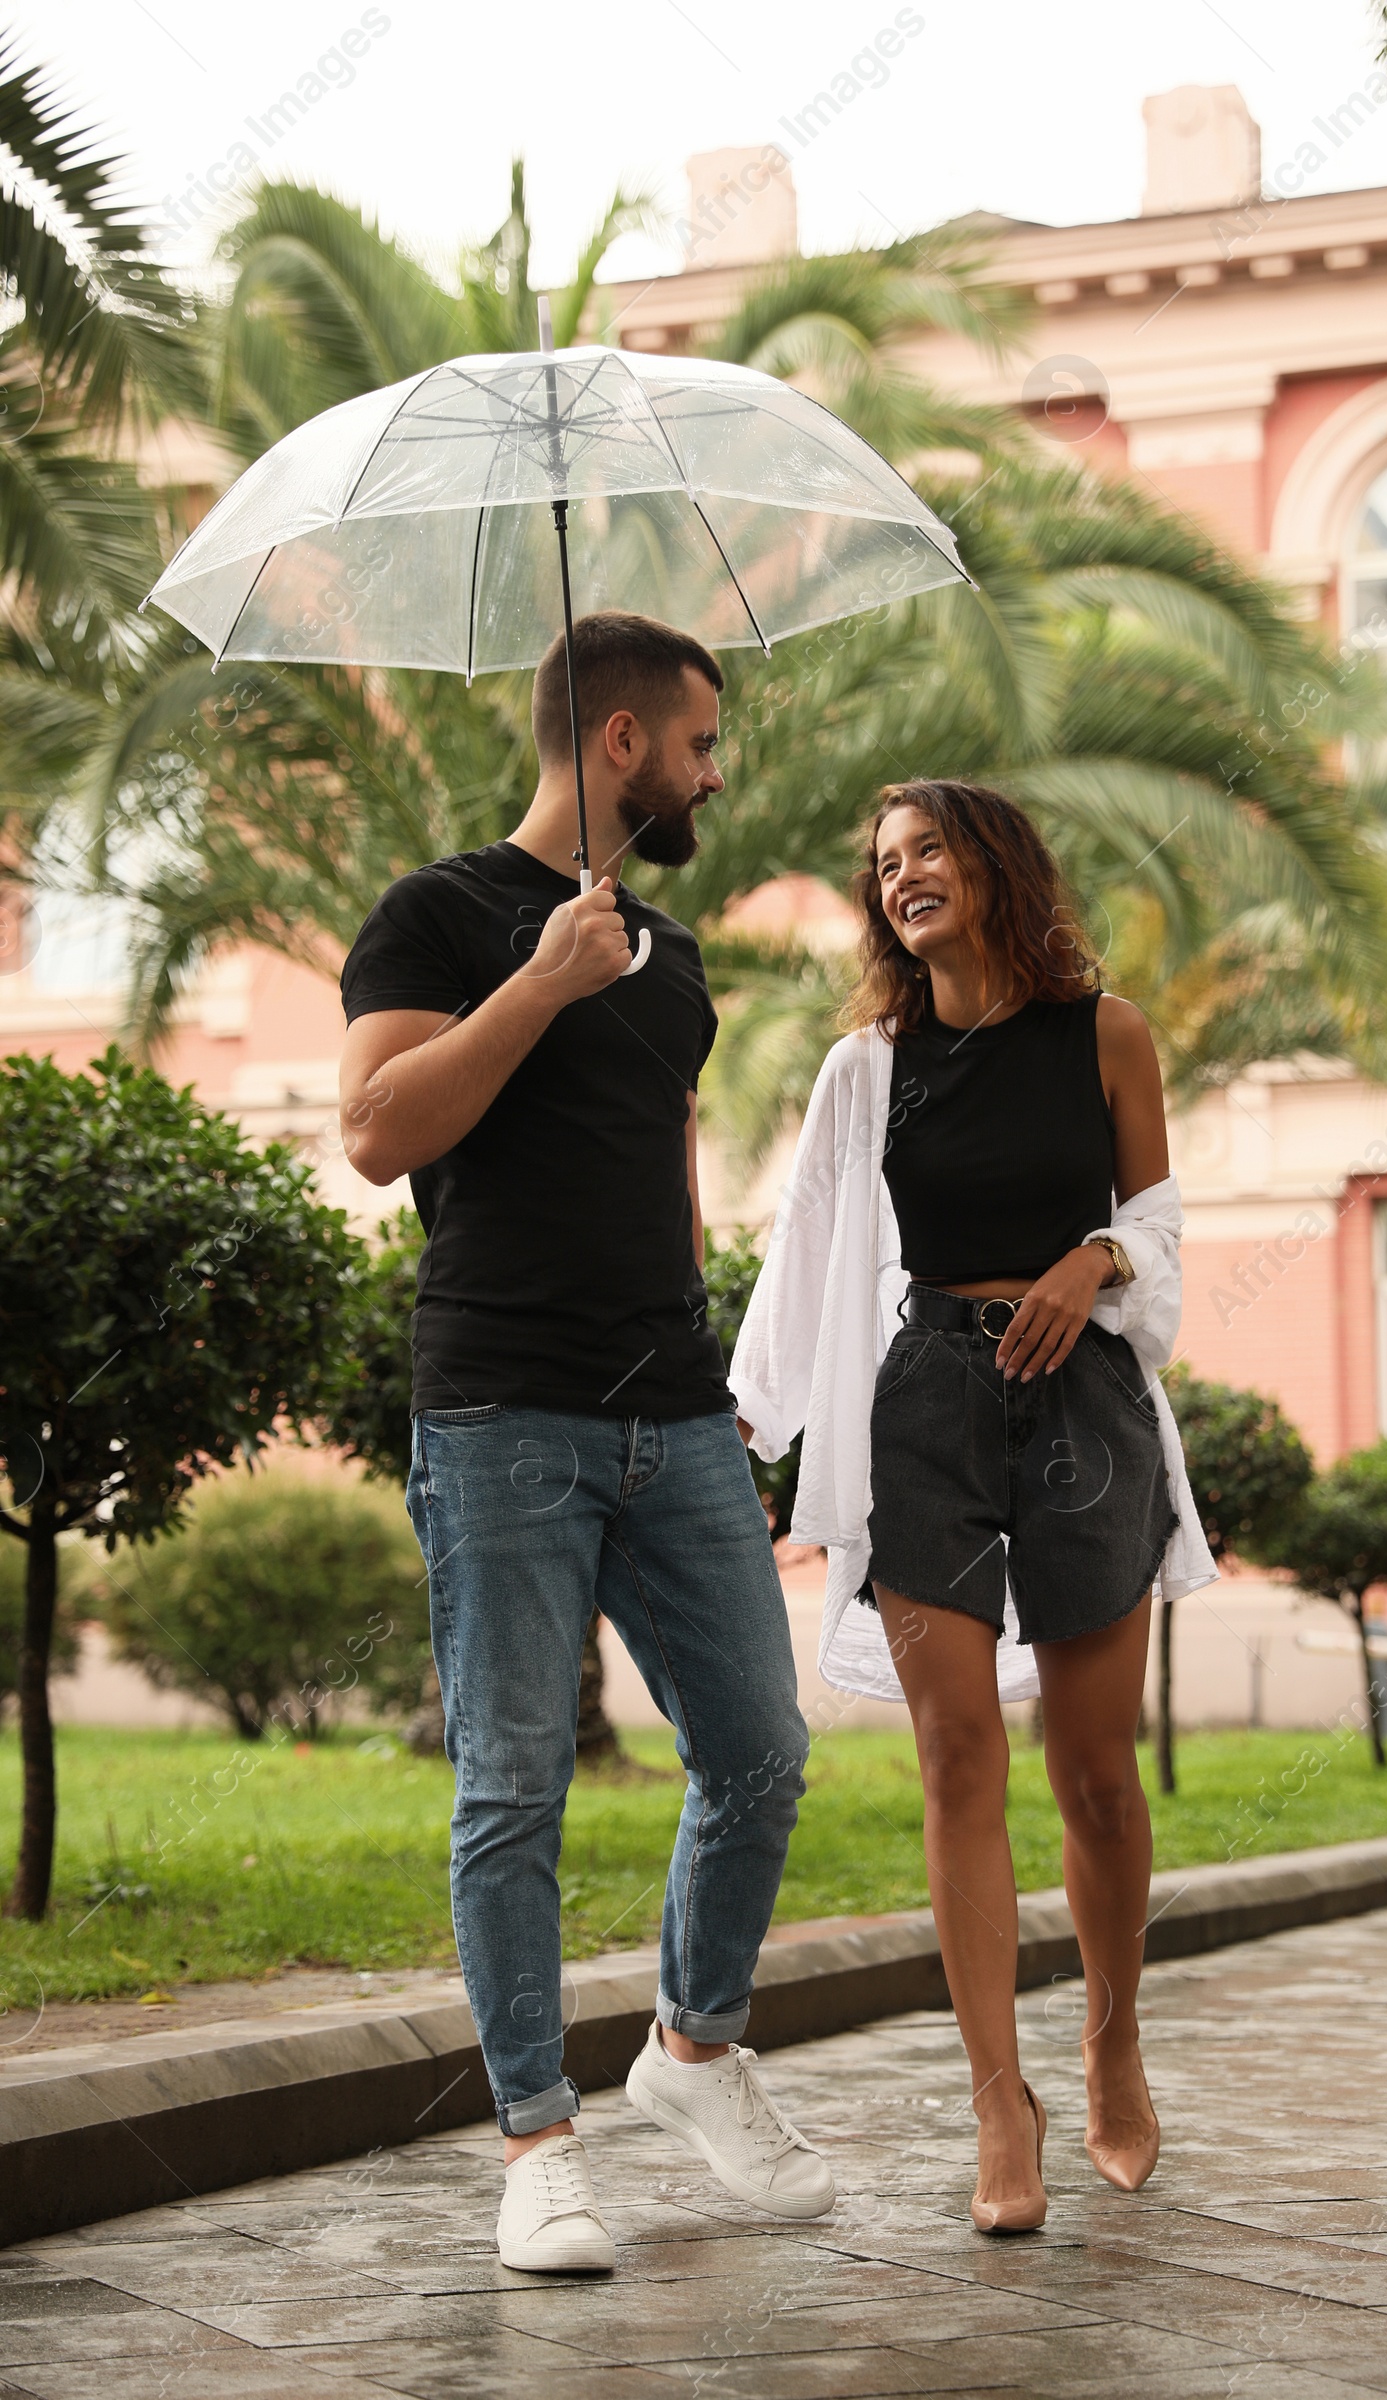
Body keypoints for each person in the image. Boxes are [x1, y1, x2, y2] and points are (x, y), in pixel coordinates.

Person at [339, 610, 833, 2276]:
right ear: (620, 742)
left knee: (761, 1752)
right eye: (698, 742)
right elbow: (377, 1130)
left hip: (674, 1420)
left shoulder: (672, 957)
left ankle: (691, 2054)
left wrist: (721, 1382)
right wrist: (539, 982)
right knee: (511, 1791)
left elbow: (667, 1184)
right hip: (500, 1413)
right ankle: (538, 2144)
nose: (714, 772)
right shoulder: (437, 916)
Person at [731, 780, 1216, 2234]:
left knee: (1093, 1771)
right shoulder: (867, 1068)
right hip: (929, 1403)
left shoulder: (1105, 1036)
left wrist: (1100, 1263)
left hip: (1086, 1411)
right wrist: (739, 1425)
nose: (903, 875)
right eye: (882, 861)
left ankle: (1113, 2036)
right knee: (956, 1757)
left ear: (995, 865)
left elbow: (1168, 1232)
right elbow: (809, 1246)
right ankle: (1000, 2102)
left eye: (928, 847)